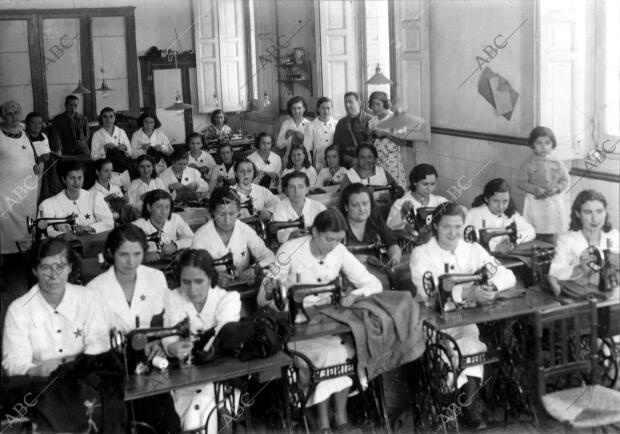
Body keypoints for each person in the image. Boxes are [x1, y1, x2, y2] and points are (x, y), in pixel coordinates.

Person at [258, 208, 382, 434]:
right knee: (330, 356)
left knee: (345, 352)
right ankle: (326, 422)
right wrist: (269, 291)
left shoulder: (340, 251)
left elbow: (373, 283)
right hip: (295, 327)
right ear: (314, 231)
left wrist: (355, 295)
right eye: (328, 239)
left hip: (328, 323)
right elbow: (262, 297)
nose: (333, 245)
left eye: (338, 240)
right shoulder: (289, 251)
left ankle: (339, 418)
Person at [410, 202, 516, 428]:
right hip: (434, 324)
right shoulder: (421, 254)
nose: (453, 233)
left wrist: (492, 289)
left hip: (465, 320)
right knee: (460, 351)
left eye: (458, 227)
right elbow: (428, 291)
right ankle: (468, 407)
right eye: (447, 226)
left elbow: (507, 275)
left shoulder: (472, 250)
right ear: (436, 225)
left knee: (471, 347)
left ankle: (466, 406)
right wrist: (469, 292)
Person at [87, 224, 180, 432]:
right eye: (124, 255)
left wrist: (158, 341)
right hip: (115, 370)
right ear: (110, 253)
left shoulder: (155, 278)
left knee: (165, 420)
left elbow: (164, 321)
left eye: (137, 254)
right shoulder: (94, 289)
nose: (131, 262)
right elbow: (94, 339)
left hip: (152, 365)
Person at [2, 238, 109, 376]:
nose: (53, 275)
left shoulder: (88, 298)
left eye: (59, 267)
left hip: (84, 378)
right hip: (39, 385)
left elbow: (99, 342)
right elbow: (13, 360)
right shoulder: (18, 310)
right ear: (35, 270)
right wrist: (35, 370)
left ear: (70, 267)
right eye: (45, 268)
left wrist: (75, 365)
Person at [163, 249, 241, 433]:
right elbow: (170, 336)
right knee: (203, 409)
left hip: (220, 376)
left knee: (207, 406)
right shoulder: (173, 298)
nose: (192, 289)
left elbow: (225, 335)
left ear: (211, 278)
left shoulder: (226, 299)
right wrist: (172, 347)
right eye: (186, 282)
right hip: (184, 380)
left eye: (199, 281)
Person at [191, 187, 274, 286]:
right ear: (212, 212)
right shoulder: (200, 237)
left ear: (239, 211)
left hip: (243, 287)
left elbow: (269, 255)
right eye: (221, 215)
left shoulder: (244, 230)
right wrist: (212, 277)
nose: (227, 220)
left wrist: (255, 268)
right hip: (212, 291)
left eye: (232, 213)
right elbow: (191, 270)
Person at [548, 189, 620, 297]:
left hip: (612, 293)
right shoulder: (567, 240)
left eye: (599, 211)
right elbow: (554, 272)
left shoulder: (613, 235)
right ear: (578, 214)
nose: (595, 219)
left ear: (605, 212)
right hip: (583, 296)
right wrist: (579, 268)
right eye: (588, 212)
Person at [517, 126, 570, 244]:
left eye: (547, 143)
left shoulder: (558, 163)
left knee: (551, 231)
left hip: (552, 202)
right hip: (535, 202)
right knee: (535, 230)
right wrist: (534, 189)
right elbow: (521, 182)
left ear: (553, 144)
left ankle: (551, 251)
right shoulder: (528, 164)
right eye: (539, 143)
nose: (543, 147)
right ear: (532, 145)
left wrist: (557, 188)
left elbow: (565, 180)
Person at [0, 101, 39, 254]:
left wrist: (37, 167)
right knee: (5, 228)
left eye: (16, 112)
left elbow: (32, 158)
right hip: (6, 193)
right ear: (2, 117)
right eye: (9, 113)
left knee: (27, 225)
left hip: (27, 192)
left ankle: (24, 258)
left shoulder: (25, 133)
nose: (14, 116)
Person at [38, 161, 114, 237]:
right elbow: (47, 230)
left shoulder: (94, 197)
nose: (76, 182)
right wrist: (63, 235)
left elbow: (109, 222)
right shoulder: (49, 204)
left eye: (80, 178)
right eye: (72, 178)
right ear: (64, 179)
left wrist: (88, 228)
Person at [465, 178, 536, 252]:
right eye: (496, 201)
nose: (501, 206)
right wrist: (494, 247)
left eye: (505, 201)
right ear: (486, 199)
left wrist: (514, 240)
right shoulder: (474, 214)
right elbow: (465, 243)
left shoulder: (510, 213)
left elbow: (530, 231)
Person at [340, 183, 402, 267]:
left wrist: (394, 259)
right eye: (355, 205)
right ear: (346, 207)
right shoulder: (337, 225)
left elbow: (392, 243)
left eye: (365, 204)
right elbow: (327, 258)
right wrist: (351, 260)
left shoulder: (375, 219)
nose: (361, 209)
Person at [132, 189, 193, 263]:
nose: (163, 212)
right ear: (149, 207)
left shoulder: (176, 219)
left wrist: (176, 245)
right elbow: (123, 248)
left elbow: (193, 239)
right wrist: (144, 255)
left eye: (167, 207)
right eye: (159, 207)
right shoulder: (137, 226)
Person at [387, 164, 448, 231]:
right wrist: (403, 212)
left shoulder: (439, 201)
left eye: (432, 184)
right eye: (425, 184)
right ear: (414, 182)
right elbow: (389, 226)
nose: (429, 188)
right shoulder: (402, 203)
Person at [271, 171, 327, 244]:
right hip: (290, 248)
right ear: (286, 190)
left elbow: (328, 229)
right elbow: (279, 233)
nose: (296, 191)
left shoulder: (319, 207)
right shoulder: (280, 207)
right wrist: (291, 235)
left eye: (300, 187)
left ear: (307, 189)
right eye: (291, 187)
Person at [340, 144, 397, 210]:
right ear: (357, 159)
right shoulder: (350, 176)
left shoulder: (382, 172)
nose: (366, 161)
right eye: (362, 157)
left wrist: (389, 196)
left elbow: (396, 190)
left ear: (375, 159)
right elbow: (343, 200)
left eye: (369, 157)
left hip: (383, 213)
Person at [368, 91, 407, 187]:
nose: (375, 108)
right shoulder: (372, 121)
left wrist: (385, 134)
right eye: (372, 104)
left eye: (378, 104)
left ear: (385, 104)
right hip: (377, 161)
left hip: (393, 161)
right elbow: (369, 143)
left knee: (396, 188)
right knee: (381, 188)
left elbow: (403, 142)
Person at [333, 92, 372, 169]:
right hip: (345, 164)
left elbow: (372, 145)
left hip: (365, 164)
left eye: (350, 102)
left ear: (359, 103)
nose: (347, 105)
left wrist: (360, 159)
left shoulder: (370, 120)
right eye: (345, 103)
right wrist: (347, 158)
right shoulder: (341, 123)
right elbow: (336, 145)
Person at [303, 97, 337, 170]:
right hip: (318, 160)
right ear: (318, 109)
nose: (326, 111)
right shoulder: (311, 126)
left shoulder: (337, 124)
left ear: (331, 109)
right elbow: (306, 148)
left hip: (334, 159)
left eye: (328, 108)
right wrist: (309, 166)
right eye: (323, 108)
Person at [276, 96, 310, 162]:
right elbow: (279, 146)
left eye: (299, 108)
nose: (296, 111)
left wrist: (303, 138)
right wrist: (286, 136)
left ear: (304, 109)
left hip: (305, 159)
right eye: (293, 108)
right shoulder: (286, 123)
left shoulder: (309, 124)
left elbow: (312, 147)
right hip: (289, 159)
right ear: (290, 110)